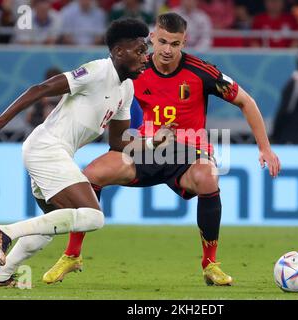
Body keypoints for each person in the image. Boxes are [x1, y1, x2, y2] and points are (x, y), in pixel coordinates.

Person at [44, 12, 281, 286]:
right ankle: (72, 255)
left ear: (184, 42)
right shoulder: (134, 68)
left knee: (208, 177)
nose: (168, 50)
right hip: (146, 148)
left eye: (176, 44)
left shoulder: (201, 72)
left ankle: (210, 264)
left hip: (188, 152)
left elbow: (246, 101)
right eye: (163, 41)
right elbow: (96, 92)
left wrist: (265, 149)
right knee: (93, 173)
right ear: (153, 38)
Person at [0, 18, 151, 287]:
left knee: (51, 225)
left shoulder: (126, 89)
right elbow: (40, 89)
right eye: (139, 51)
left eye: (145, 51)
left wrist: (152, 144)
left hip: (54, 153)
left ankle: (0, 277)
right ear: (118, 51)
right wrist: (0, 122)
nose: (145, 57)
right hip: (47, 148)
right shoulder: (97, 71)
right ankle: (3, 232)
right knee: (93, 217)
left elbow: (119, 145)